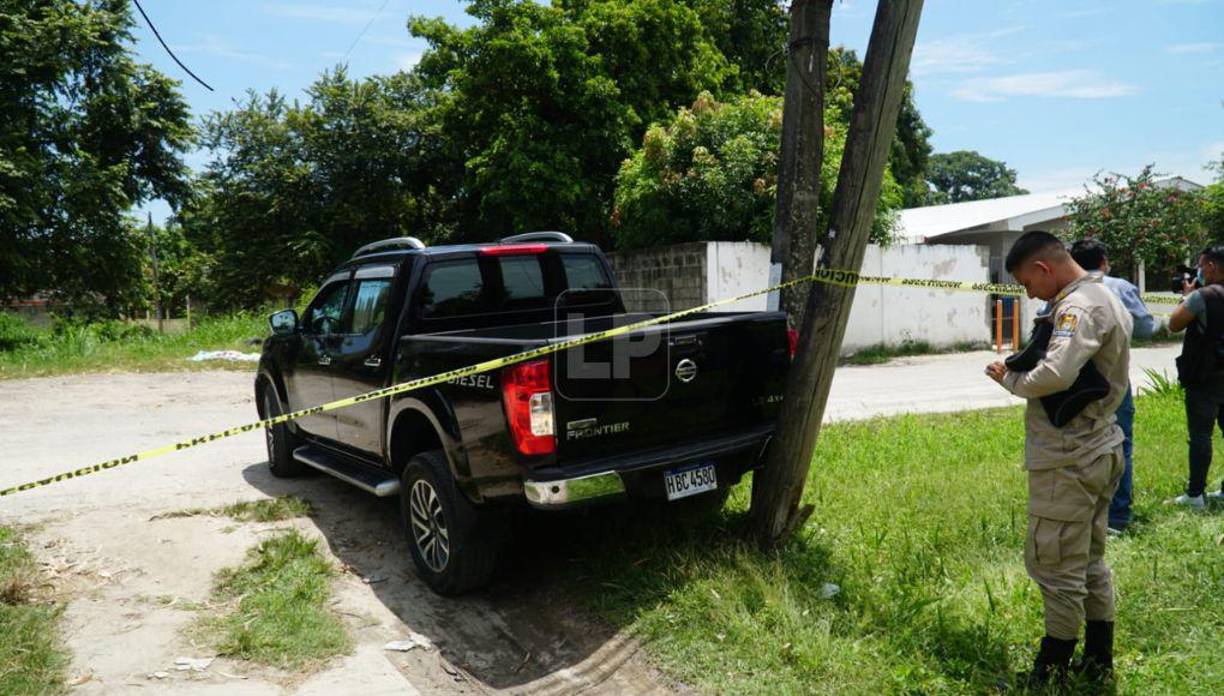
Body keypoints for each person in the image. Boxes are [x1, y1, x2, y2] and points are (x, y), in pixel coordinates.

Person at [985, 231, 1131, 686]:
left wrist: (1008, 381)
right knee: (1088, 559)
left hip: (1070, 457)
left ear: (1044, 269)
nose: (1029, 293)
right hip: (1099, 446)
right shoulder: (1102, 294)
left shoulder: (1077, 307)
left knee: (1054, 564)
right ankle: (1099, 659)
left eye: (1028, 283)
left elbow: (1054, 373)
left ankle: (1052, 669)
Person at [1069, 238, 1155, 534]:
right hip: (1115, 379)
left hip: (1074, 383)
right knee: (1121, 443)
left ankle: (1081, 513)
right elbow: (1145, 328)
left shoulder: (1064, 290)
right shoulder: (1120, 288)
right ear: (1104, 261)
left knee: (1077, 444)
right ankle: (1117, 518)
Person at [1166, 244, 1224, 508]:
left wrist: (1187, 295)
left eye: (1201, 265)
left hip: (1206, 376)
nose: (1198, 271)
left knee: (1201, 434)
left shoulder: (1205, 296)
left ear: (1211, 266)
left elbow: (1174, 323)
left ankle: (1195, 494)